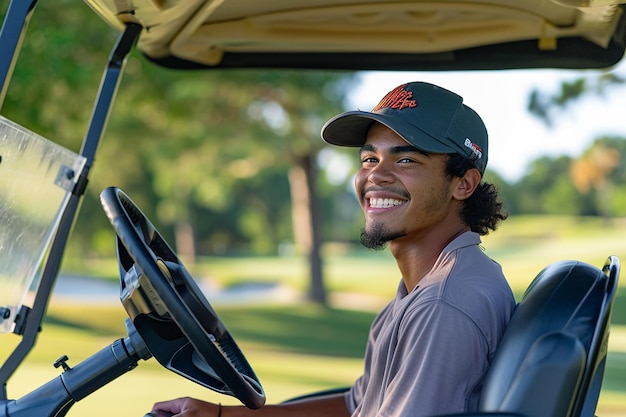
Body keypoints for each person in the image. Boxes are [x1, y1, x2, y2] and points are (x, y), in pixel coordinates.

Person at [149, 81, 516, 417]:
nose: (376, 175)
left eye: (406, 160)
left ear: (464, 184)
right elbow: (355, 406)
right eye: (370, 159)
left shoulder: (443, 305)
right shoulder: (424, 291)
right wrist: (219, 415)